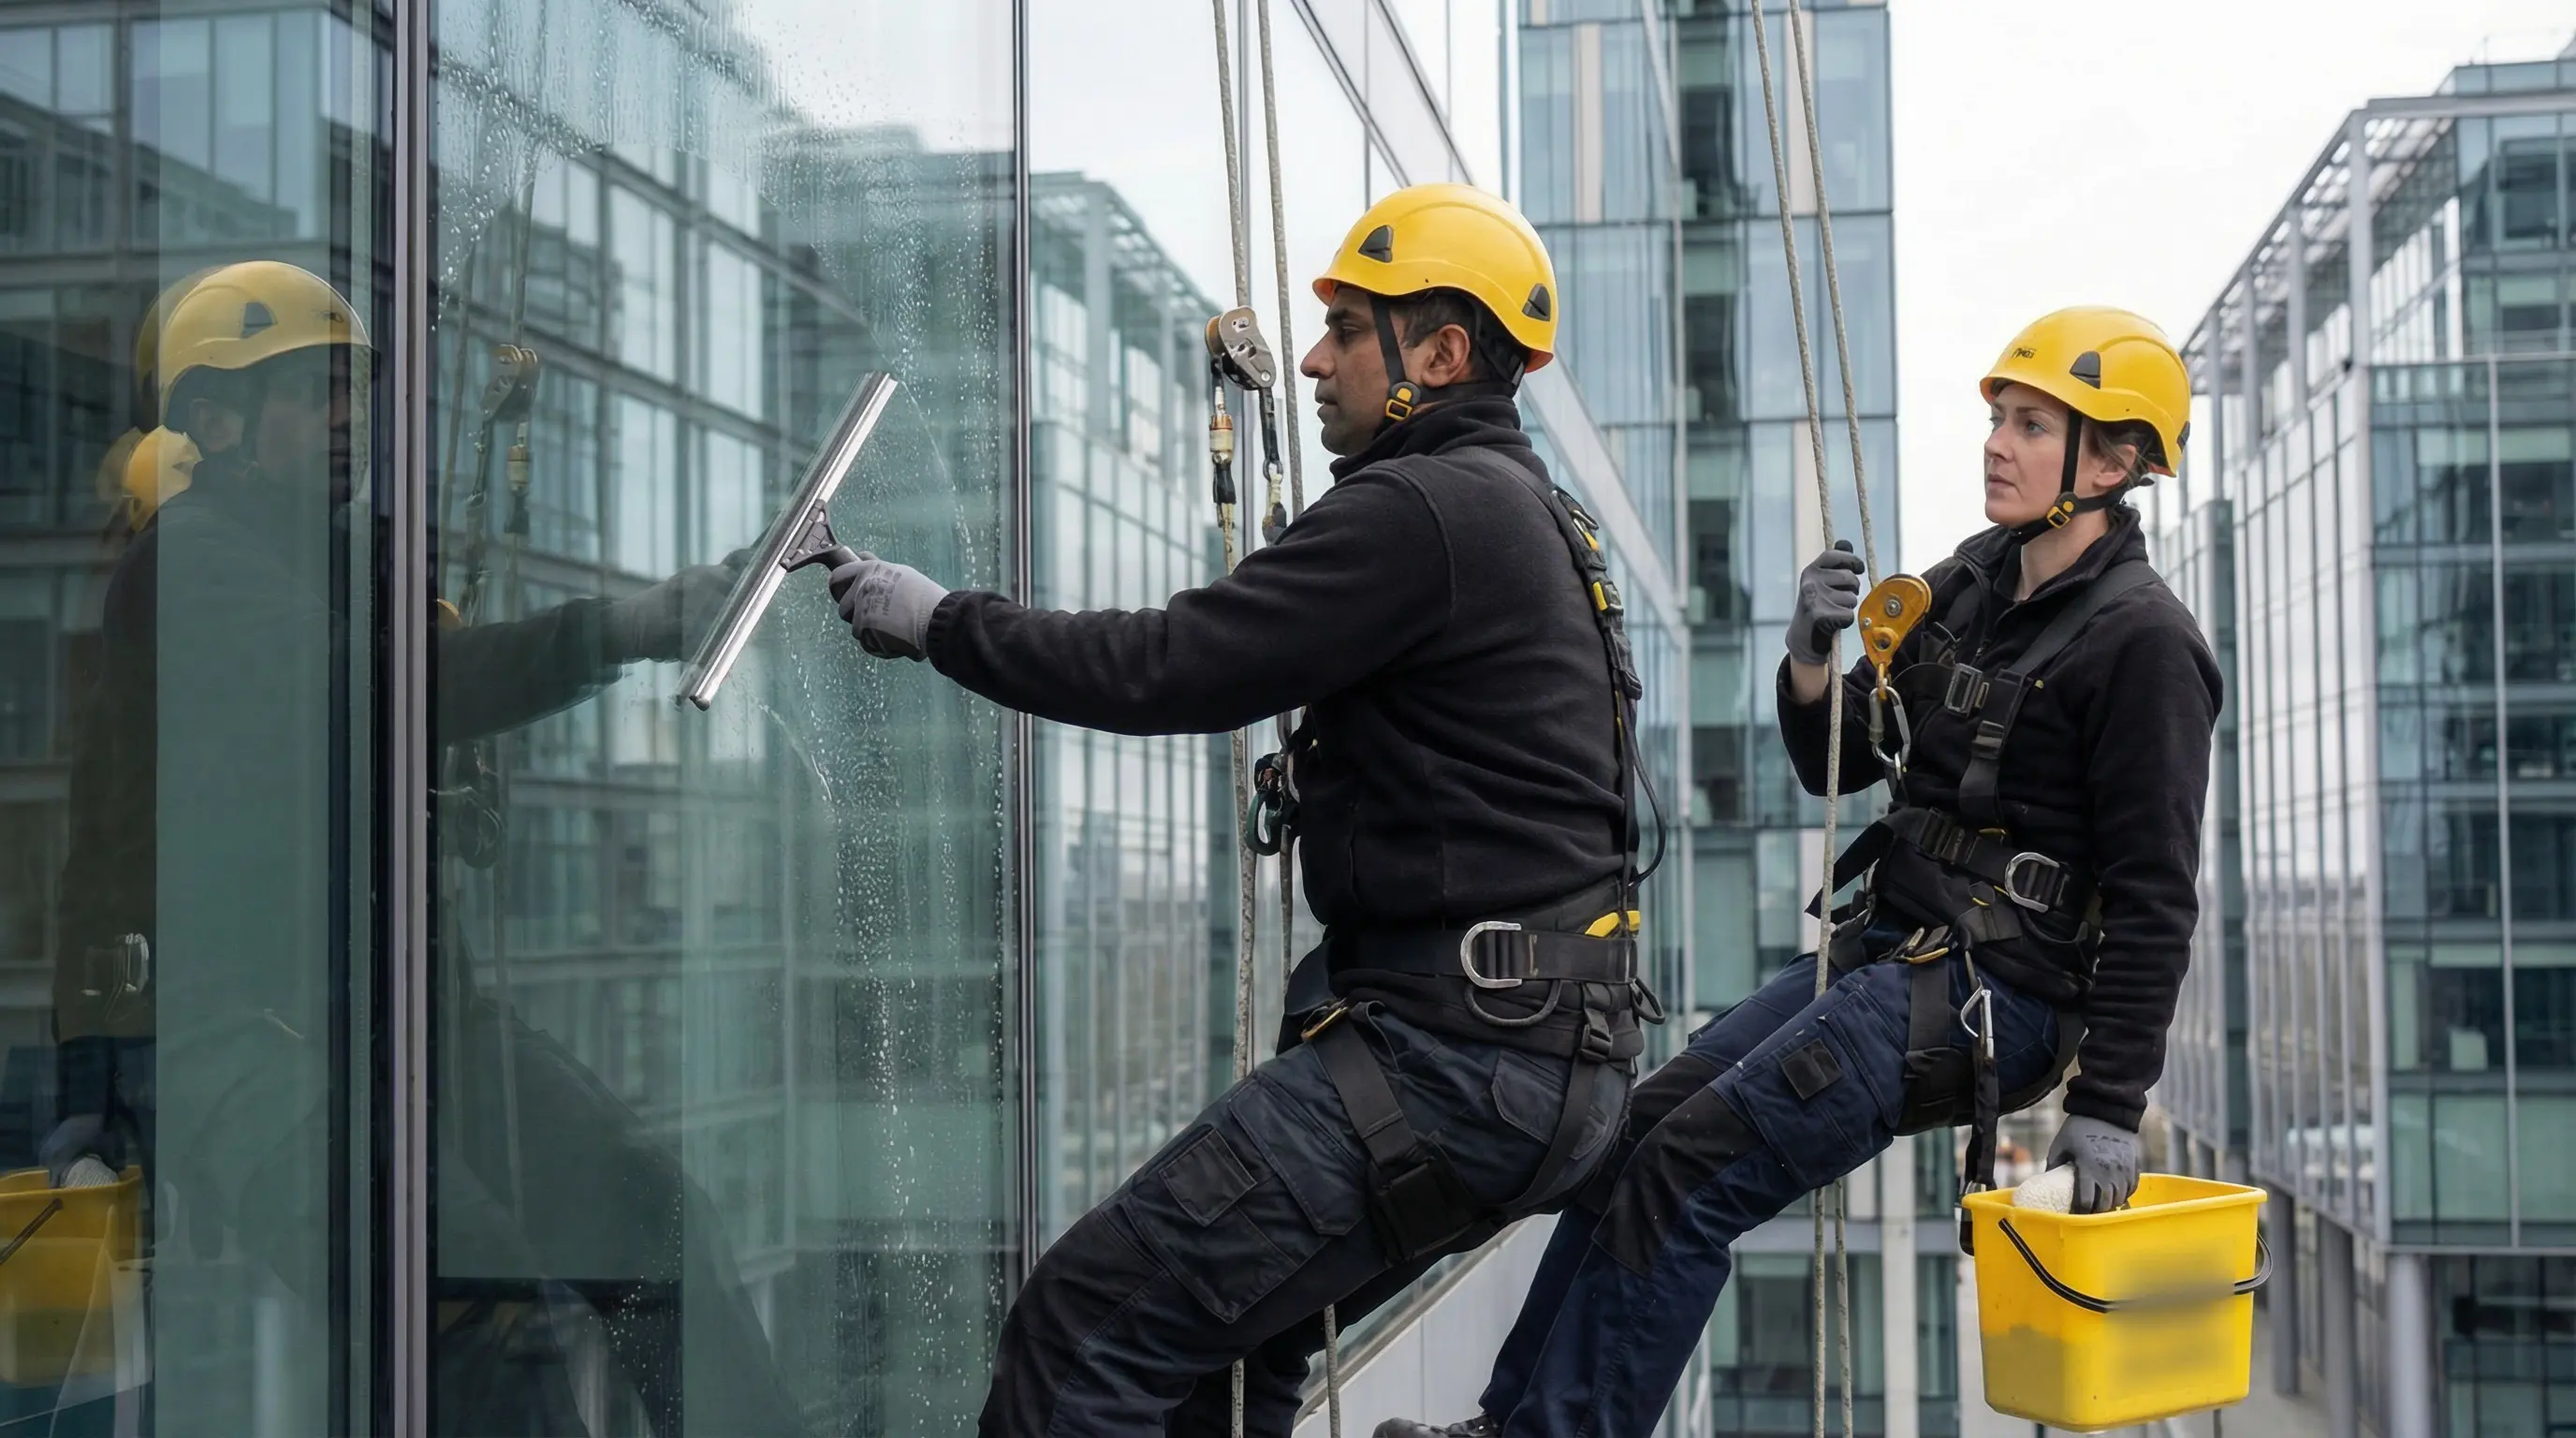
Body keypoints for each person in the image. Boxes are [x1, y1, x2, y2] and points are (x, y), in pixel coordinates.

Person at [829, 183, 1660, 1436]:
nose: (1316, 361)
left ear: (1440, 355)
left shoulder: (1423, 509)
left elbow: (1171, 665)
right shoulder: (1538, 519)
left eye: (1350, 331)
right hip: (1543, 1067)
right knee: (1226, 1373)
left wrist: (944, 622)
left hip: (1458, 1063)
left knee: (1081, 1333)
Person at [1374, 306, 2224, 1437]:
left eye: (2032, 426)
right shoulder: (1971, 582)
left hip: (2002, 995)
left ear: (2111, 465)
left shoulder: (2146, 644)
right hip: (1894, 950)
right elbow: (1849, 758)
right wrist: (1812, 661)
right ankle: (1508, 1423)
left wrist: (2108, 1106)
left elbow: (2158, 898)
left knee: (1687, 1173)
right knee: (1629, 1139)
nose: (1996, 445)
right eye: (2000, 419)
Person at [48, 260, 796, 1433]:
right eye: (314, 392)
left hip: (402, 1016)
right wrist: (628, 625)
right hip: (244, 1039)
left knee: (649, 1219)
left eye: (355, 391)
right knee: (481, 1316)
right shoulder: (191, 566)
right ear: (217, 420)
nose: (350, 416)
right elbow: (368, 692)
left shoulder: (340, 566)